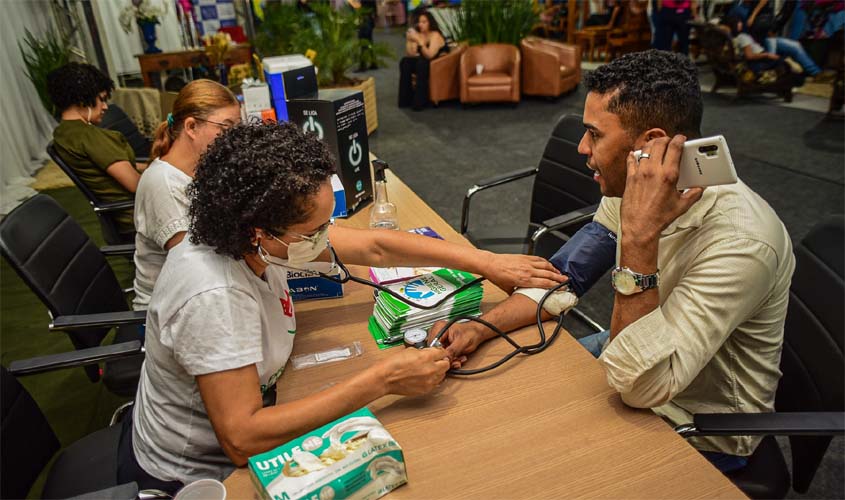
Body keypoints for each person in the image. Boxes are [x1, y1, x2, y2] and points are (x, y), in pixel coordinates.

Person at [118, 121, 567, 492]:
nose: (324, 238)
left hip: (257, 408)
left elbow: (375, 246)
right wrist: (384, 378)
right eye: (314, 229)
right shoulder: (214, 295)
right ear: (259, 229)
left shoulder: (249, 237)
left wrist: (487, 262)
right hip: (198, 475)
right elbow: (241, 438)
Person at [431, 50, 795, 475]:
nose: (582, 148)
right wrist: (481, 327)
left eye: (594, 134)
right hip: (628, 359)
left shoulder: (741, 241)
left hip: (696, 428)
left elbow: (641, 386)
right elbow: (564, 277)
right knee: (486, 402)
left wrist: (639, 236)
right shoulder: (635, 188)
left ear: (650, 144)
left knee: (518, 459)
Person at [132, 79, 241, 310]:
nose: (234, 138)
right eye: (226, 128)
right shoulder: (164, 185)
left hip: (197, 294)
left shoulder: (202, 169)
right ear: (191, 127)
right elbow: (193, 264)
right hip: (170, 311)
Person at [47, 62, 146, 238]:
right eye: (101, 99)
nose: (106, 106)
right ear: (82, 99)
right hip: (140, 216)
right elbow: (135, 184)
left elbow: (115, 166)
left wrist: (151, 165)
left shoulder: (62, 133)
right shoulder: (91, 138)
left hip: (125, 218)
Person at [724, 16, 817, 79]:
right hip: (761, 61)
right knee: (788, 49)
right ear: (734, 25)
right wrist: (768, 55)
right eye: (738, 22)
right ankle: (811, 71)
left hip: (761, 55)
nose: (741, 23)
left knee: (775, 42)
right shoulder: (742, 37)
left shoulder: (736, 37)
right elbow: (750, 56)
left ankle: (807, 69)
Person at [398, 10, 448, 111]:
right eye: (419, 22)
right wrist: (410, 41)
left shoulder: (435, 35)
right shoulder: (418, 33)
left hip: (436, 63)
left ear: (430, 23)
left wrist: (420, 42)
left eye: (424, 22)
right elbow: (411, 54)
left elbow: (429, 55)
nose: (421, 24)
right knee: (405, 62)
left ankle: (419, 102)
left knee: (422, 64)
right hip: (423, 61)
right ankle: (405, 99)